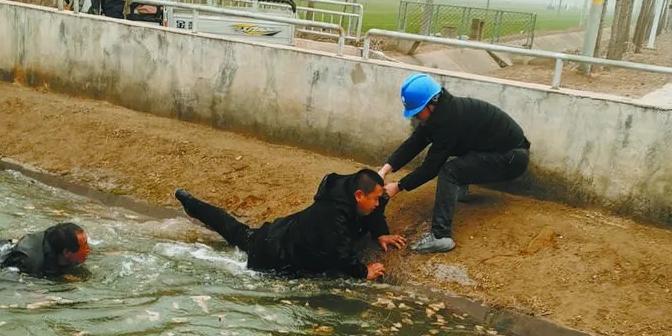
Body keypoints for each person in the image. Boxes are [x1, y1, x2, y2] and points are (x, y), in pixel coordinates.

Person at [378, 73, 530, 254]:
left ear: (431, 104)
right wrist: (384, 170)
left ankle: (441, 236)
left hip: (511, 159)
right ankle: (459, 191)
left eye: (417, 112)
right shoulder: (441, 112)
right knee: (458, 150)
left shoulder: (449, 120)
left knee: (449, 171)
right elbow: (415, 143)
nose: (417, 118)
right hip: (498, 151)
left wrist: (399, 186)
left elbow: (431, 167)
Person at [174, 169, 405, 281]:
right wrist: (364, 272)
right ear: (358, 195)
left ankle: (190, 203)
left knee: (235, 231)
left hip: (282, 232)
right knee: (234, 232)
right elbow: (340, 254)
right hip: (273, 254)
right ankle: (189, 202)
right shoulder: (332, 215)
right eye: (373, 198)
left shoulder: (349, 191)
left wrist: (381, 233)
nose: (378, 203)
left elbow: (378, 203)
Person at [0, 222, 91, 277]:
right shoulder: (30, 263)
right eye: (85, 246)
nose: (88, 250)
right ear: (67, 252)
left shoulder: (64, 244)